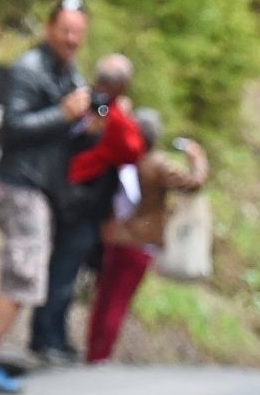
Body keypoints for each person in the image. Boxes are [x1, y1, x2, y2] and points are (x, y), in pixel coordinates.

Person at [0, 0, 95, 394]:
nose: (71, 39)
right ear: (48, 28)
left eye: (78, 32)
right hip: (18, 185)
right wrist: (65, 115)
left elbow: (69, 122)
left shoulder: (67, 71)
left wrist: (87, 123)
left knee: (26, 275)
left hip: (38, 188)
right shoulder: (29, 69)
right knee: (24, 274)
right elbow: (12, 126)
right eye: (65, 30)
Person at [29, 54, 143, 364]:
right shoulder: (93, 107)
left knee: (64, 271)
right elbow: (132, 148)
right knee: (63, 272)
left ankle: (52, 335)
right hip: (77, 200)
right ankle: (46, 338)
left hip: (76, 197)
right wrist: (117, 114)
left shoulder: (92, 105)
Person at [86, 110, 209, 363]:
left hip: (113, 235)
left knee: (103, 297)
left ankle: (91, 351)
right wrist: (198, 160)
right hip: (140, 243)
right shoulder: (158, 164)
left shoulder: (124, 158)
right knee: (118, 300)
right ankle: (101, 355)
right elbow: (193, 183)